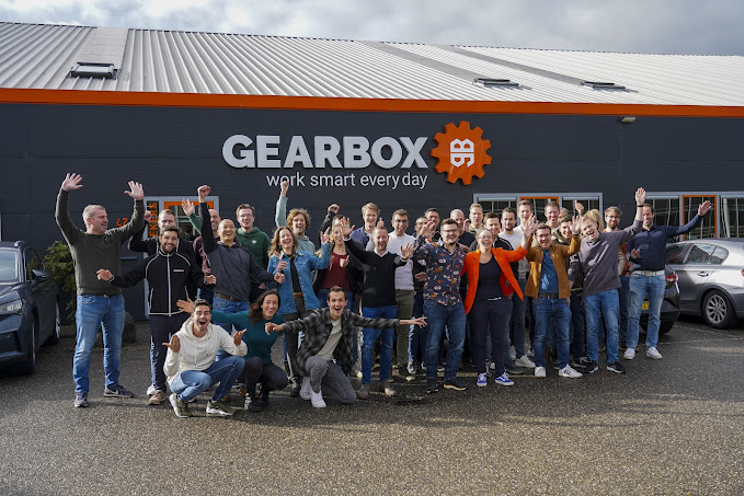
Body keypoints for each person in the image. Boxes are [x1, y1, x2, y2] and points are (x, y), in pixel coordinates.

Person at [55, 173, 145, 408]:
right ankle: (81, 393)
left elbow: (135, 225)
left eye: (106, 216)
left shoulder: (113, 237)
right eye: (101, 217)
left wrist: (138, 201)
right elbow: (61, 218)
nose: (106, 220)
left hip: (115, 300)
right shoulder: (77, 238)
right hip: (89, 301)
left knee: (114, 347)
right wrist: (64, 193)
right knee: (84, 349)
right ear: (89, 220)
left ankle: (112, 386)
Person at [96, 227, 213, 405]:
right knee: (159, 352)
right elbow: (129, 279)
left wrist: (206, 281)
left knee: (185, 352)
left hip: (181, 315)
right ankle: (159, 389)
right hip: (158, 316)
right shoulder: (150, 262)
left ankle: (185, 388)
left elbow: (197, 279)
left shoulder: (186, 261)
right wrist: (112, 278)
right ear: (160, 239)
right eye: (167, 238)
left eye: (173, 239)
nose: (170, 242)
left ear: (177, 241)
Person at [265, 287, 426, 408]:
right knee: (319, 363)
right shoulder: (319, 316)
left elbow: (374, 322)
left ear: (345, 302)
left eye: (340, 300)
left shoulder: (348, 317)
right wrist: (280, 327)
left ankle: (313, 381)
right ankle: (314, 390)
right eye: (334, 300)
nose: (337, 304)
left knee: (349, 398)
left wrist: (406, 321)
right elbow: (300, 324)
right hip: (308, 361)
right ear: (328, 303)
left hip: (327, 363)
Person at [625, 200, 711, 360]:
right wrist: (632, 257)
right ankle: (631, 347)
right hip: (638, 277)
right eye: (643, 214)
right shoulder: (633, 233)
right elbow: (628, 254)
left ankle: (651, 347)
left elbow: (684, 229)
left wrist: (699, 216)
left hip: (658, 277)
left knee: (655, 315)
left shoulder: (662, 231)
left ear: (653, 215)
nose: (646, 217)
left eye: (648, 214)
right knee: (634, 315)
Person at [178, 290, 288, 412]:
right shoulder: (248, 316)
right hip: (245, 365)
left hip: (265, 363)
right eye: (268, 302)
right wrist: (198, 311)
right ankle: (250, 396)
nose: (271, 306)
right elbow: (225, 317)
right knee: (255, 362)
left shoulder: (278, 320)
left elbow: (291, 327)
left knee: (282, 381)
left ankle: (264, 391)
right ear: (261, 304)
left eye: (275, 303)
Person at [576, 188, 646, 374]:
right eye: (584, 229)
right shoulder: (580, 244)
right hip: (590, 293)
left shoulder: (612, 237)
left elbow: (636, 228)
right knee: (592, 329)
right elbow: (574, 266)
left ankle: (612, 361)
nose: (588, 230)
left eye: (590, 226)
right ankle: (592, 361)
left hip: (610, 291)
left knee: (613, 327)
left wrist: (639, 205)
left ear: (596, 224)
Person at [197, 185, 284, 332]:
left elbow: (257, 271)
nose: (229, 229)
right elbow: (205, 226)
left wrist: (273, 276)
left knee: (244, 340)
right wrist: (202, 200)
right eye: (225, 227)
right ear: (218, 231)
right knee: (222, 341)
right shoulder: (213, 249)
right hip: (223, 302)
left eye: (231, 227)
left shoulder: (244, 252)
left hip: (243, 303)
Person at [344, 219, 413, 398]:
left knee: (388, 345)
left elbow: (400, 261)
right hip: (370, 308)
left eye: (384, 237)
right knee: (368, 346)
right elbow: (354, 250)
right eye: (378, 237)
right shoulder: (367, 256)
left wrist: (405, 257)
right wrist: (347, 237)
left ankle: (384, 382)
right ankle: (365, 384)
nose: (381, 240)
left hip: (389, 307)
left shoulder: (392, 258)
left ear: (387, 239)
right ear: (373, 239)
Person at [462, 221, 534, 387]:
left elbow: (519, 254)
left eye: (489, 237)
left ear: (493, 239)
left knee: (499, 339)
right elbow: (456, 273)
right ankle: (481, 372)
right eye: (483, 237)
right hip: (478, 304)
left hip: (498, 303)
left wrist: (525, 237)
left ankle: (500, 373)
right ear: (478, 240)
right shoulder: (470, 258)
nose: (486, 239)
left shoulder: (500, 254)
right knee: (480, 339)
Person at [267, 226, 331, 395]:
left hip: (307, 302)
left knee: (311, 339)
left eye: (288, 235)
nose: (286, 239)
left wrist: (325, 245)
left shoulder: (305, 256)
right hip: (287, 305)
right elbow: (269, 284)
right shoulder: (274, 259)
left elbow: (323, 264)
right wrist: (277, 272)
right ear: (278, 242)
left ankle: (310, 376)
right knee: (291, 343)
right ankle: (296, 380)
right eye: (282, 237)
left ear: (293, 239)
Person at [163, 299, 247, 417]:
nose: (203, 316)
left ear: (210, 316)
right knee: (204, 379)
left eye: (206, 313)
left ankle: (216, 402)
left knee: (238, 361)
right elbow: (169, 372)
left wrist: (238, 344)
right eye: (199, 313)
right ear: (192, 316)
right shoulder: (179, 337)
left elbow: (241, 353)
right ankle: (179, 399)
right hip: (180, 378)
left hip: (205, 373)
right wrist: (174, 353)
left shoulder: (217, 331)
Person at [414, 218, 468, 393]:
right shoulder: (432, 248)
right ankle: (431, 379)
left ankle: (450, 378)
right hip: (435, 302)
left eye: (454, 230)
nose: (451, 234)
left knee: (457, 343)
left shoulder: (462, 252)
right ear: (441, 233)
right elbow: (413, 255)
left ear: (458, 232)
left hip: (455, 302)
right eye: (447, 231)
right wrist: (421, 236)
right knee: (432, 344)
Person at [525, 218, 584, 379]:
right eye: (540, 236)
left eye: (546, 235)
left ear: (550, 235)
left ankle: (564, 367)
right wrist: (528, 236)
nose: (544, 238)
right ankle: (539, 365)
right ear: (537, 237)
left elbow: (573, 249)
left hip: (560, 299)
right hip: (541, 300)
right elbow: (525, 253)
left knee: (564, 335)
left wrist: (576, 234)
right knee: (540, 335)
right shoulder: (534, 251)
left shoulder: (558, 249)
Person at [184, 199, 271, 302]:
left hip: (244, 286)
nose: (246, 218)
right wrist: (192, 216)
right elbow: (206, 232)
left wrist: (265, 280)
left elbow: (266, 263)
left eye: (248, 215)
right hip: (211, 287)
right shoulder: (203, 241)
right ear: (238, 219)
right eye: (242, 215)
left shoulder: (236, 239)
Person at [499, 206, 534, 370]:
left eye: (511, 219)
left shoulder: (522, 235)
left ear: (515, 220)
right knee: (505, 320)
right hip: (503, 283)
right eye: (505, 219)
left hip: (520, 280)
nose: (508, 221)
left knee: (519, 318)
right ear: (502, 220)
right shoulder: (497, 238)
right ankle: (505, 353)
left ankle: (520, 354)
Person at [182, 199, 220, 306]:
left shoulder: (228, 239)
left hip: (227, 288)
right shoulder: (199, 241)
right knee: (205, 314)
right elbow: (195, 265)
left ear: (220, 220)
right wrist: (202, 280)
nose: (212, 220)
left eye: (215, 217)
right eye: (209, 217)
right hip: (207, 288)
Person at [128, 208, 195, 260]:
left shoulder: (186, 245)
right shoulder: (153, 243)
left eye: (170, 221)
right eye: (164, 221)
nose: (167, 224)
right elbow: (133, 245)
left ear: (175, 223)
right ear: (159, 223)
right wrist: (143, 222)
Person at [275, 180, 316, 253]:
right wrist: (283, 192)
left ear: (306, 224)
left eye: (302, 220)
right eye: (296, 220)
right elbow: (279, 218)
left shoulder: (311, 246)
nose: (299, 222)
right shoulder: (289, 239)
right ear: (291, 224)